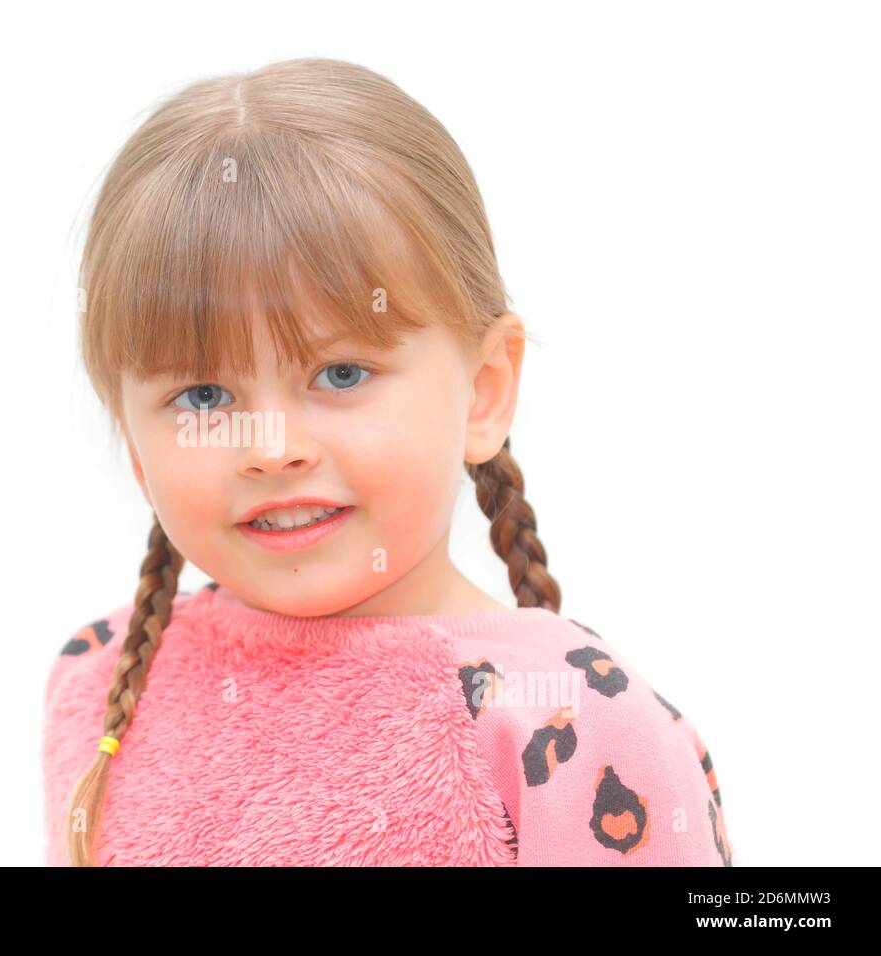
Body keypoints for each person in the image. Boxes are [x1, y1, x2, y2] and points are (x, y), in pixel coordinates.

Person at [42, 57, 733, 867]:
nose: (272, 449)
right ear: (131, 443)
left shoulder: (570, 721)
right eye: (202, 396)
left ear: (483, 391)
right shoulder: (104, 682)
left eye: (340, 374)